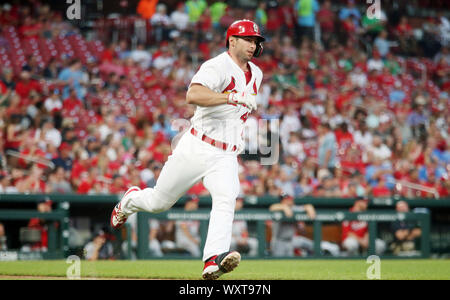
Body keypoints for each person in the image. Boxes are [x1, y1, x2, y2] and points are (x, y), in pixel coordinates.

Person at [110, 19, 264, 280]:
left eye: (256, 41)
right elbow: (192, 95)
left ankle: (212, 260)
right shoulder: (217, 66)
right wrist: (230, 96)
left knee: (226, 199)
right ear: (232, 41)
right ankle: (130, 200)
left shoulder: (257, 74)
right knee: (159, 202)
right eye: (248, 39)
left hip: (226, 155)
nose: (253, 44)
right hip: (197, 146)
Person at [269, 193, 340, 257]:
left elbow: (305, 207)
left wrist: (309, 207)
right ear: (282, 201)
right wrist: (284, 207)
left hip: (290, 240)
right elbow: (272, 208)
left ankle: (323, 250)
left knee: (289, 262)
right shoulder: (278, 208)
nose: (289, 201)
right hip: (278, 240)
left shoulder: (294, 209)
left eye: (289, 199)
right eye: (286, 199)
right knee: (278, 261)